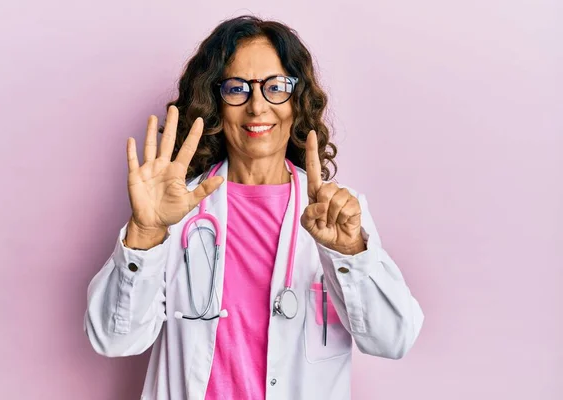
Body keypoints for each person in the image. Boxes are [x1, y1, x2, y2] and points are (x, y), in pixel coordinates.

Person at [84, 15, 424, 400]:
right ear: (216, 101)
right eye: (237, 88)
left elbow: (393, 339)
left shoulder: (339, 215)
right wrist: (145, 235)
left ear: (297, 100)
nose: (257, 106)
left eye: (276, 87)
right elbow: (113, 340)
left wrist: (348, 253)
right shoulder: (174, 212)